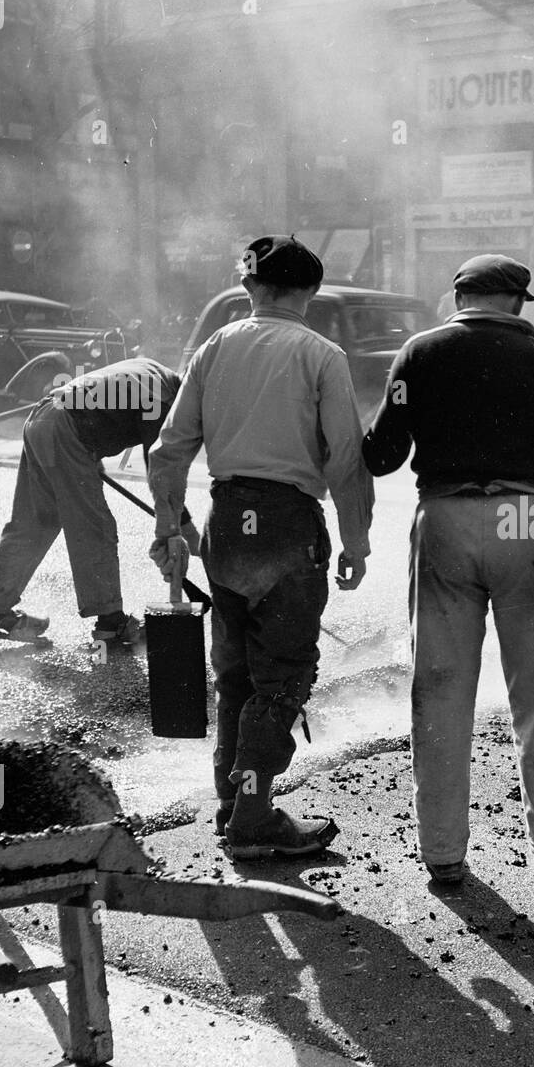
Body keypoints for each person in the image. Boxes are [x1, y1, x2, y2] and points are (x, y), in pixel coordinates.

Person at [362, 253, 534, 886]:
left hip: (445, 520)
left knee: (440, 691)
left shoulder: (416, 354)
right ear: (516, 303)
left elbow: (381, 456)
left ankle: (442, 854)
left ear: (456, 297)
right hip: (529, 519)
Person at [148, 235, 373, 861]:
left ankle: (232, 801)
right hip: (287, 528)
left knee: (236, 675)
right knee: (283, 678)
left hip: (226, 525)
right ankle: (253, 818)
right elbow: (346, 460)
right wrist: (356, 541)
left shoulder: (213, 348)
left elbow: (169, 451)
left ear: (249, 288)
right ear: (310, 293)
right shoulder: (322, 355)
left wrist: (170, 526)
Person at [0, 357, 191, 645]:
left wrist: (90, 452)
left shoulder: (151, 370)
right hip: (67, 428)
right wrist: (177, 527)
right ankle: (111, 624)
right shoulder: (163, 400)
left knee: (35, 523)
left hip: (43, 417)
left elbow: (103, 404)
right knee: (94, 526)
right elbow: (160, 469)